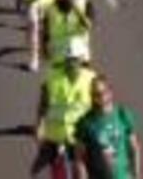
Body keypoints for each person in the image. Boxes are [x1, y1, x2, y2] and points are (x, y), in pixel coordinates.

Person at [31, 36, 99, 179]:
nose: (72, 63)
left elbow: (101, 106)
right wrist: (39, 126)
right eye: (70, 59)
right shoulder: (52, 79)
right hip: (56, 138)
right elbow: (43, 103)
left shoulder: (92, 79)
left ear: (82, 59)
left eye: (75, 59)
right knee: (36, 172)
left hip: (82, 137)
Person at [73, 77, 143, 179]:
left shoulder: (122, 115)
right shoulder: (86, 123)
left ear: (110, 92)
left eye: (103, 92)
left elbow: (134, 148)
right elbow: (79, 158)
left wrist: (137, 175)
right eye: (95, 94)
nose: (100, 97)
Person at [46, 0, 95, 73]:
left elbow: (88, 26)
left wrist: (75, 9)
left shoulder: (86, 4)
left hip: (75, 53)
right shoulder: (52, 6)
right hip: (63, 53)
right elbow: (46, 31)